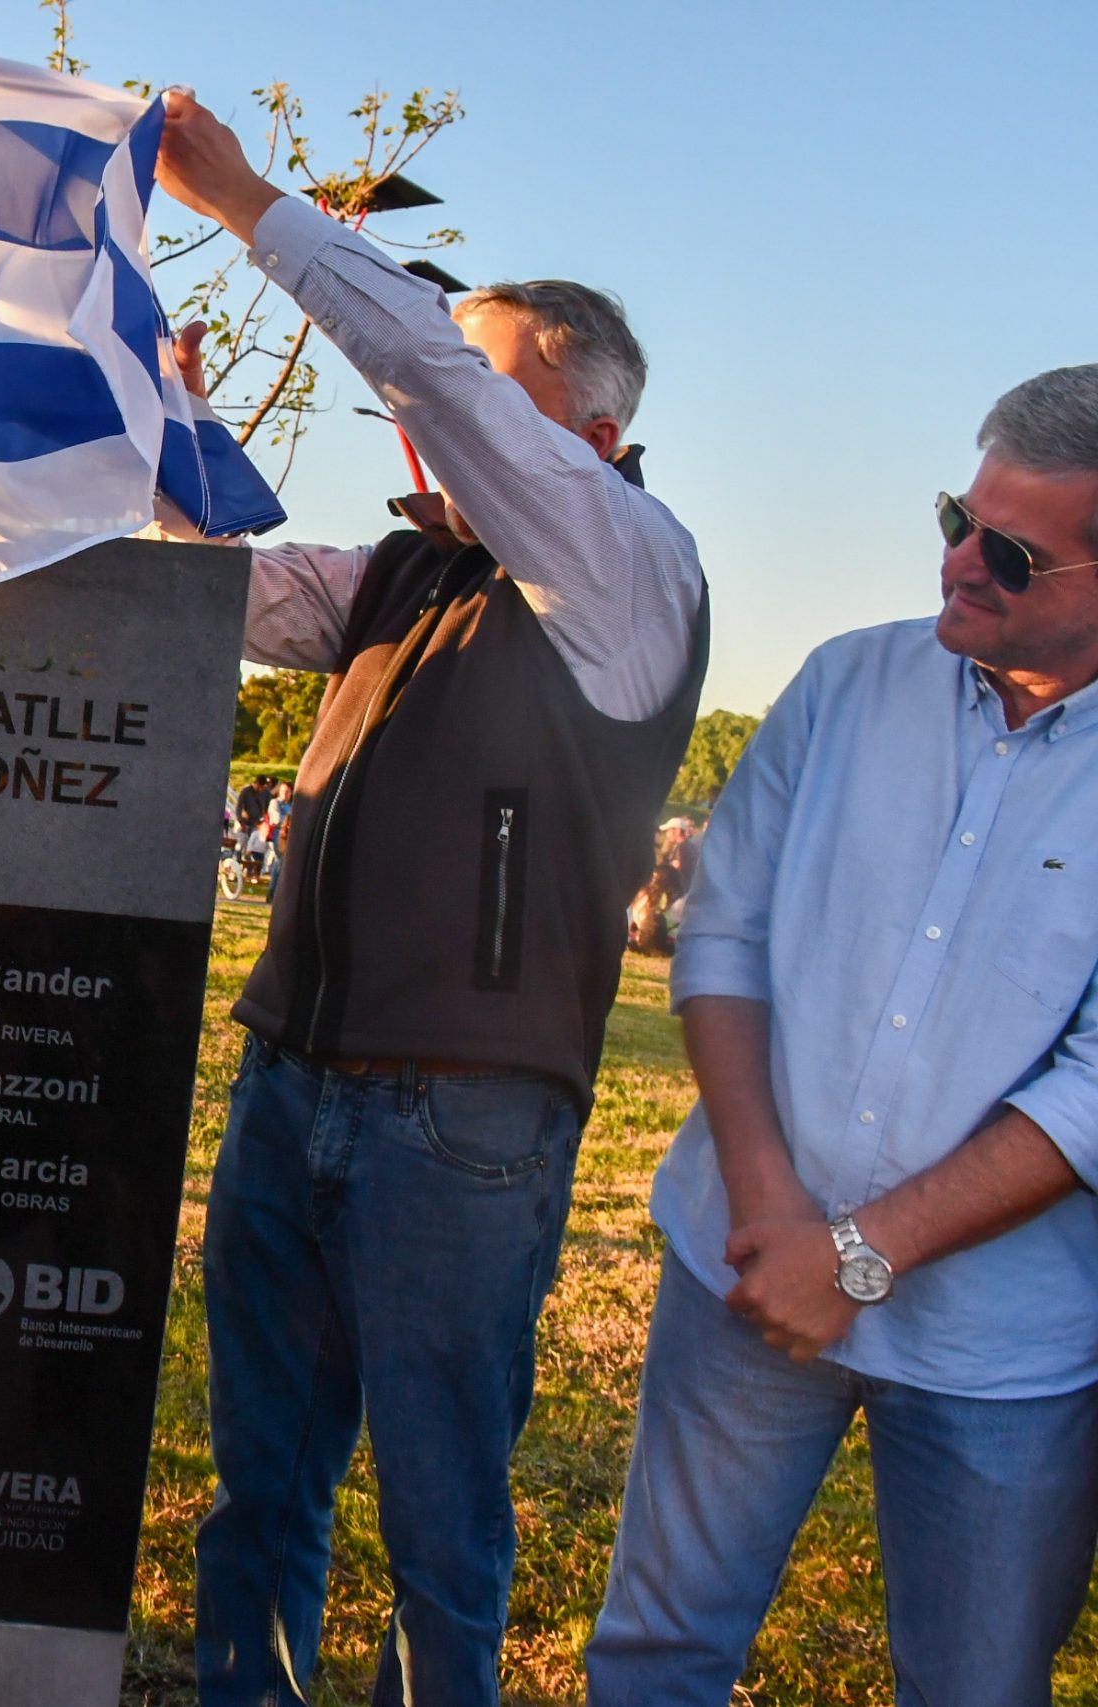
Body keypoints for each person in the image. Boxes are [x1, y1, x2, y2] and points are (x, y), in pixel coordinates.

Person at [153, 89, 708, 1704]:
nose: (432, 429)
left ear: (588, 438)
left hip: (462, 1120)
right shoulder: (409, 570)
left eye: (484, 397)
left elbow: (430, 375)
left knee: (439, 1513)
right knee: (262, 1478)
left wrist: (250, 202)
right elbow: (217, 591)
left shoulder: (630, 563)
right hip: (292, 1080)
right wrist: (172, 415)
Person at [586, 366, 1098, 1705]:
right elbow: (725, 931)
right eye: (957, 517)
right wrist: (770, 1210)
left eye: (1011, 552)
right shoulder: (845, 682)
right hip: (741, 1270)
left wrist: (858, 1257)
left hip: (1001, 1347)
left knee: (976, 1685)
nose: (959, 562)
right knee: (656, 1653)